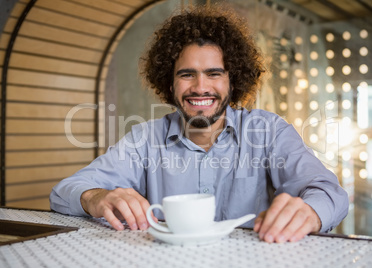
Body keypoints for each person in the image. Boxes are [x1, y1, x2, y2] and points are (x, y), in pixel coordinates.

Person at [50, 5, 348, 243]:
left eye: (214, 73)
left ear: (234, 79)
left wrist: (310, 212)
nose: (200, 87)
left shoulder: (268, 131)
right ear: (170, 81)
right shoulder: (144, 139)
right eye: (187, 74)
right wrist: (95, 196)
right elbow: (64, 191)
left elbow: (329, 192)